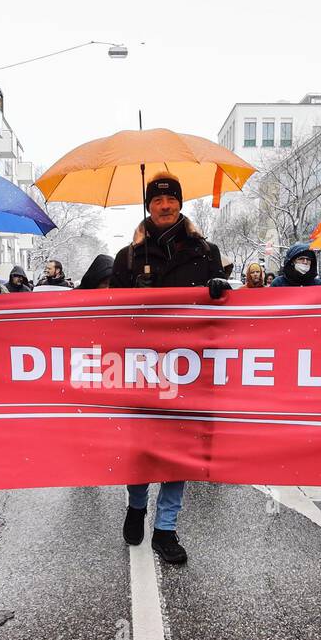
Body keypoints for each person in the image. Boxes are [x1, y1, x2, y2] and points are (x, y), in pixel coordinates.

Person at [110, 172, 229, 565]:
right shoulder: (128, 257)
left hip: (189, 367)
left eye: (171, 200)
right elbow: (110, 311)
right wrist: (132, 297)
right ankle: (136, 505)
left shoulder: (205, 251)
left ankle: (166, 528)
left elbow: (223, 312)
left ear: (180, 203)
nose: (165, 206)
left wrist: (218, 289)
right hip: (142, 367)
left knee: (180, 451)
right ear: (149, 205)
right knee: (141, 447)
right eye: (157, 201)